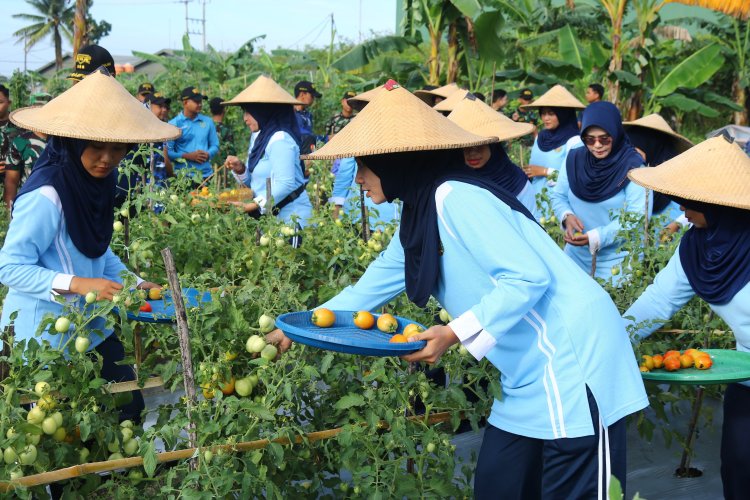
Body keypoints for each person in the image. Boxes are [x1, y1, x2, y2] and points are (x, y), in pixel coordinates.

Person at [268, 82, 648, 499]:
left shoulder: (455, 198)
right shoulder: (419, 217)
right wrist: (298, 328)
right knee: (498, 485)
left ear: (396, 163)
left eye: (364, 165)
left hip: (572, 357)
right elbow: (367, 290)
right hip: (526, 371)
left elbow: (528, 278)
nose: (357, 178)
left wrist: (452, 333)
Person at [0, 69, 178, 424]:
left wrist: (136, 283)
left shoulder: (96, 184)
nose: (107, 159)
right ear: (73, 142)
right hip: (44, 335)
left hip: (90, 325)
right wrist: (79, 284)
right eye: (96, 147)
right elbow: (9, 268)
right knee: (62, 428)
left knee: (127, 406)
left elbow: (96, 251)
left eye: (117, 149)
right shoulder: (47, 194)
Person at [623, 135, 750, 500]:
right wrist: (615, 335)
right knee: (739, 466)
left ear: (719, 202)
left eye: (691, 200)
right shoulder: (697, 246)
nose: (681, 207)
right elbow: (659, 300)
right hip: (746, 374)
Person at [551, 101, 650, 281]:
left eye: (605, 138)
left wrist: (596, 237)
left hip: (617, 264)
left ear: (616, 133)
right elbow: (558, 196)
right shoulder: (574, 158)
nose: (597, 145)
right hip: (575, 256)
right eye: (590, 139)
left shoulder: (635, 168)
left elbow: (637, 218)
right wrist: (566, 216)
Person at [223, 75, 313, 232]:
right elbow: (258, 183)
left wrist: (253, 205)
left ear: (263, 111)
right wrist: (241, 170)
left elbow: (285, 183)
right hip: (275, 217)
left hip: (292, 218)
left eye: (248, 112)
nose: (245, 119)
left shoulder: (280, 139)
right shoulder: (264, 138)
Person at [447, 93, 537, 214]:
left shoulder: (517, 183)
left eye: (480, 145)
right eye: (466, 146)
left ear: (493, 146)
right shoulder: (453, 183)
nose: (472, 153)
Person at [329, 85, 399, 226]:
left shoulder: (359, 136)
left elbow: (345, 174)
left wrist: (337, 208)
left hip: (363, 212)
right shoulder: (400, 138)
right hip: (392, 216)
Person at [624, 113, 693, 235]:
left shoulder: (679, 176)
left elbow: (698, 210)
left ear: (650, 145)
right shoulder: (627, 171)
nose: (631, 155)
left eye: (635, 150)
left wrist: (677, 224)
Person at [521, 85, 585, 204]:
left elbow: (578, 176)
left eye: (551, 113)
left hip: (558, 205)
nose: (546, 118)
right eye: (543, 113)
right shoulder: (540, 137)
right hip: (535, 201)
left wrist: (545, 171)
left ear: (563, 114)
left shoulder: (575, 142)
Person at [167, 86, 219, 181]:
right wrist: (187, 156)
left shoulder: (208, 122)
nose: (200, 104)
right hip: (183, 177)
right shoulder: (173, 124)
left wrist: (208, 154)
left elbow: (215, 145)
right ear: (185, 102)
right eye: (196, 102)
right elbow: (168, 153)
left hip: (206, 175)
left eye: (201, 101)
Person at [293, 80, 322, 156]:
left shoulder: (308, 115)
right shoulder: (289, 113)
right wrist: (321, 138)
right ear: (302, 94)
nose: (313, 99)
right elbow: (299, 132)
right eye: (312, 96)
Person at [209, 96, 237, 169]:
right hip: (222, 169)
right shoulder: (226, 130)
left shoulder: (205, 128)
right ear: (223, 110)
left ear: (211, 111)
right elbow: (231, 154)